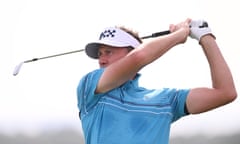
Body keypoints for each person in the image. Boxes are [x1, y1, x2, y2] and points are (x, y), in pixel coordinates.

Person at [77, 18, 237, 144]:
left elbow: (225, 93)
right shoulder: (90, 88)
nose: (102, 60)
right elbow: (139, 57)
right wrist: (178, 35)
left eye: (109, 52)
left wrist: (205, 36)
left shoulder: (164, 100)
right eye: (100, 54)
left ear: (131, 52)